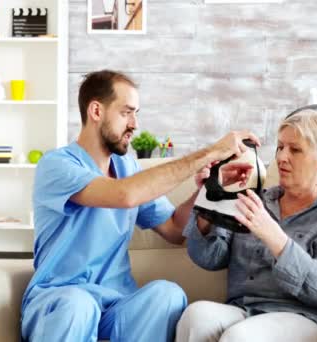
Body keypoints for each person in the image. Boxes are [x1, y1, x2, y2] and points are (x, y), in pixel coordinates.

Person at [20, 69, 260, 342]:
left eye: (136, 113)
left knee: (166, 295)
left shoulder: (127, 168)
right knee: (79, 304)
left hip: (115, 303)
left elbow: (175, 229)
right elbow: (124, 195)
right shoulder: (57, 165)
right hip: (60, 300)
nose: (134, 123)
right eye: (126, 112)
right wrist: (211, 151)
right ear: (96, 111)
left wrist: (207, 189)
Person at [176, 109, 317, 342]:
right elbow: (208, 258)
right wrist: (211, 195)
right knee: (196, 316)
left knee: (240, 337)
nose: (282, 157)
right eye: (280, 147)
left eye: (295, 149)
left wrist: (275, 237)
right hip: (246, 311)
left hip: (312, 319)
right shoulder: (256, 199)